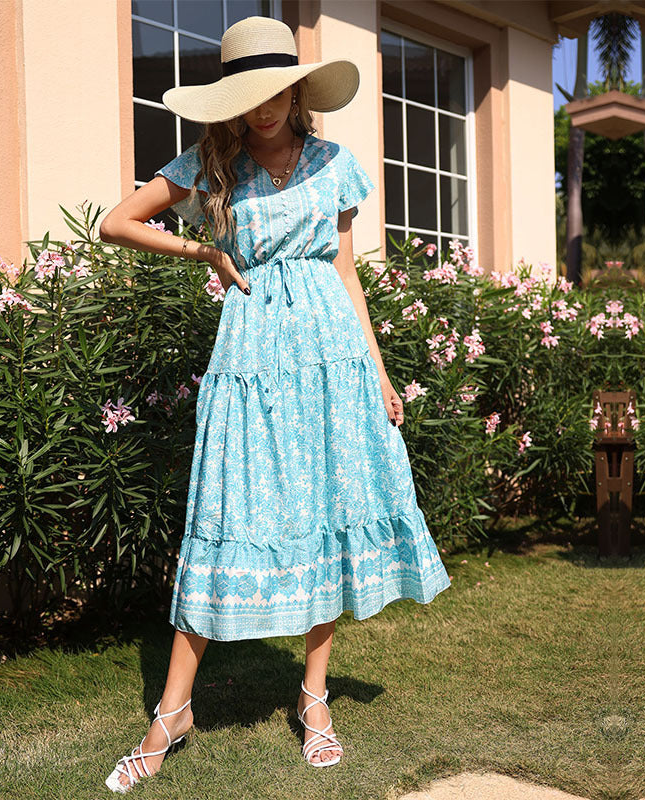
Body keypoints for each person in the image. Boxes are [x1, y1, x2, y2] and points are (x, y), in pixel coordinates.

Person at [98, 15, 452, 793]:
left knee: (327, 508)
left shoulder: (335, 164)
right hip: (252, 358)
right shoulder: (211, 165)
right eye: (247, 95)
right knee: (232, 513)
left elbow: (349, 277)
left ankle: (314, 698)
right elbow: (116, 223)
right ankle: (172, 711)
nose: (262, 109)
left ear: (296, 91)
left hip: (333, 359)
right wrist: (208, 251)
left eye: (274, 91)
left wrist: (382, 373)